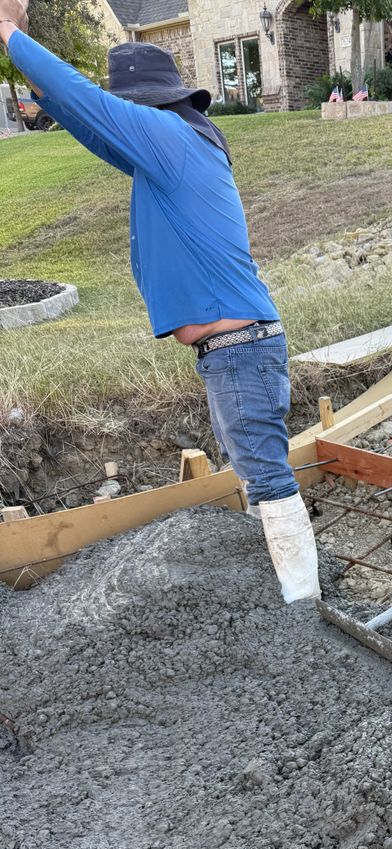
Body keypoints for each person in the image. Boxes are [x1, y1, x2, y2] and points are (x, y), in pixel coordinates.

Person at [0, 3, 319, 604]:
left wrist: (9, 33)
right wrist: (37, 73)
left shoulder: (172, 139)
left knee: (268, 478)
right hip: (234, 351)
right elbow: (86, 120)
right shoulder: (177, 146)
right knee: (258, 472)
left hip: (240, 351)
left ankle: (304, 608)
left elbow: (89, 105)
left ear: (145, 106)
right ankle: (282, 590)